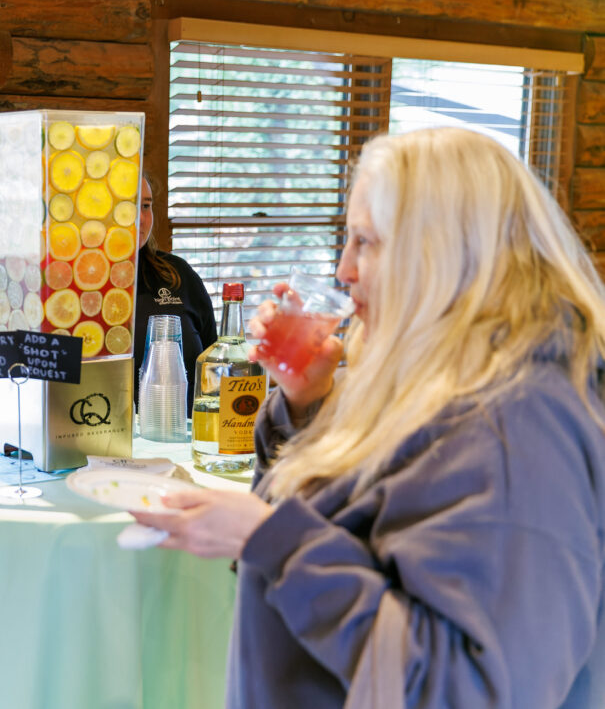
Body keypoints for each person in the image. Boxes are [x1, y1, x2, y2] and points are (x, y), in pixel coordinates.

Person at [133, 127, 605, 708]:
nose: (342, 269)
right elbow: (360, 541)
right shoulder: (441, 382)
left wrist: (268, 540)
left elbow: (466, 690)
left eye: (365, 241)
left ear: (443, 253)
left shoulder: (520, 429)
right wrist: (306, 407)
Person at [133, 175, 216, 408]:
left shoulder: (177, 274)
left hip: (183, 436)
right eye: (127, 206)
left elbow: (213, 364)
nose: (140, 218)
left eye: (146, 206)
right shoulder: (76, 287)